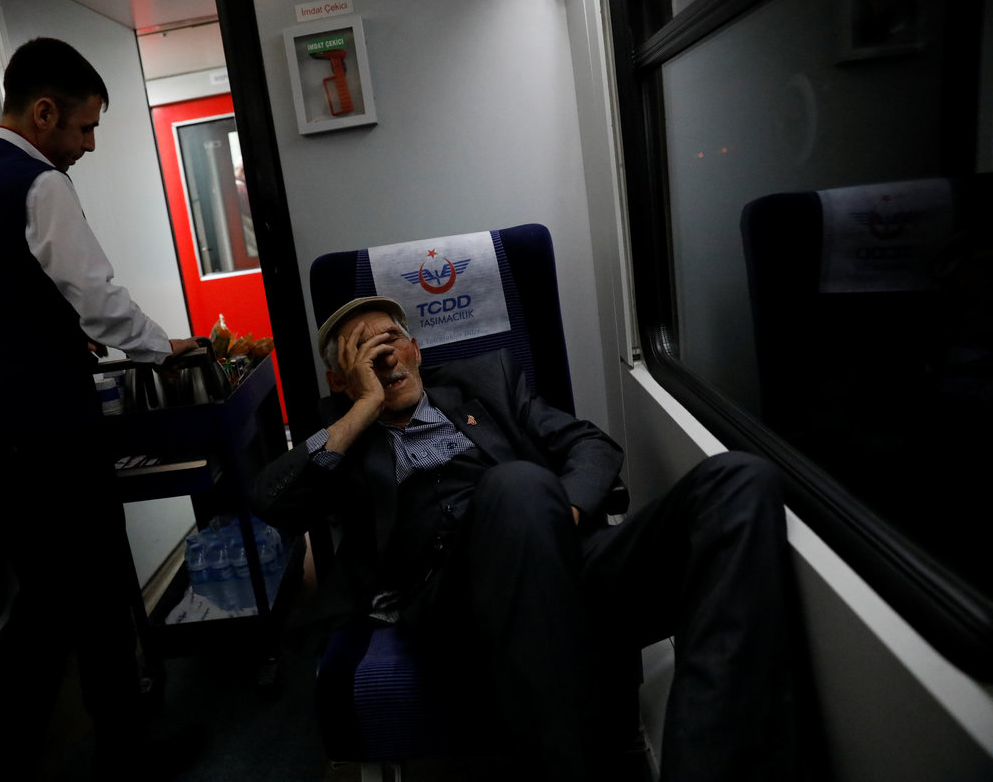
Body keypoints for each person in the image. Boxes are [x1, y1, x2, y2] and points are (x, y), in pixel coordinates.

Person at [251, 296, 804, 781]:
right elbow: (271, 502)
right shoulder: (341, 439)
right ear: (341, 380)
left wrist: (564, 510)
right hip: (456, 598)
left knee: (739, 480)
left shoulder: (485, 382)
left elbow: (590, 445)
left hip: (562, 552)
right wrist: (364, 407)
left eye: (391, 338)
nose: (383, 355)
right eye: (361, 350)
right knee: (516, 486)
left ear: (416, 349)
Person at [0, 37, 197, 779]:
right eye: (85, 127)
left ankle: (16, 756)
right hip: (52, 432)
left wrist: (27, 326)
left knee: (45, 598)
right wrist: (163, 347)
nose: (89, 145)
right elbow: (100, 301)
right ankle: (113, 757)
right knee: (94, 596)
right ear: (44, 113)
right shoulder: (40, 184)